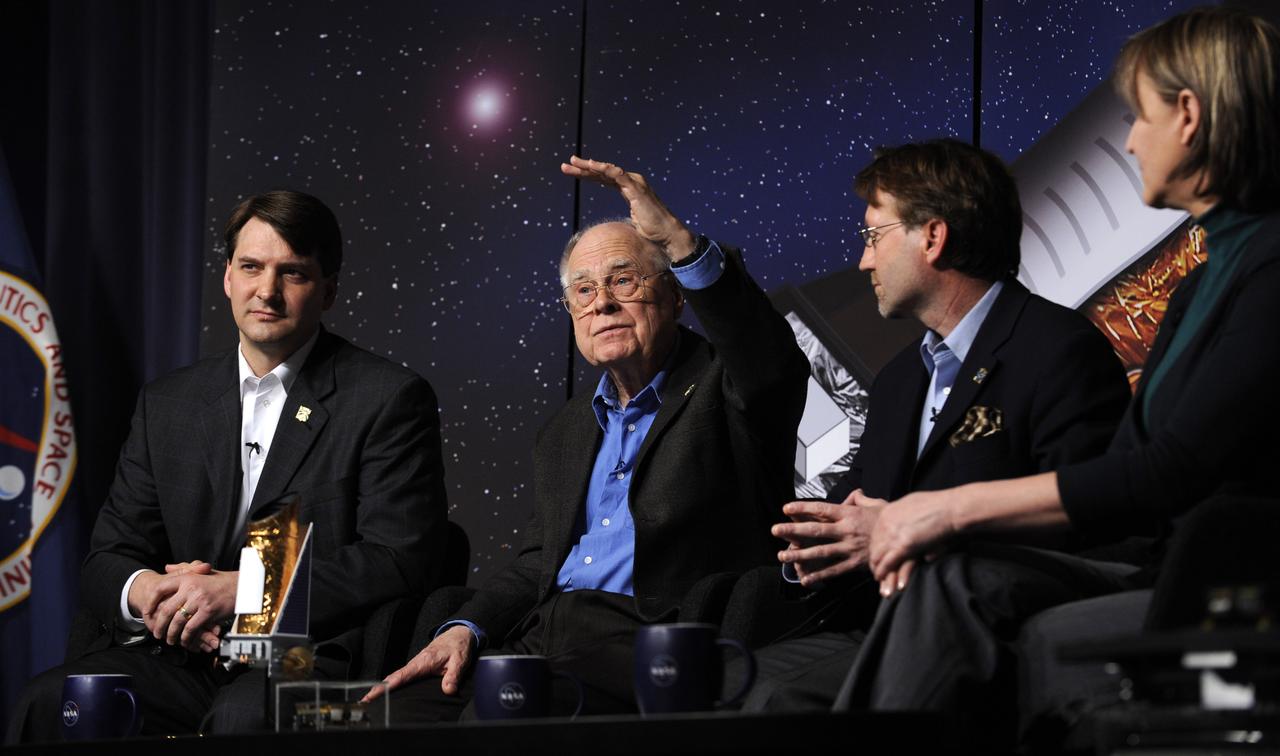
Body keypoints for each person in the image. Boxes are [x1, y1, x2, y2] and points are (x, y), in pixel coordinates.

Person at [831, 7, 1280, 749]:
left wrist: (948, 512)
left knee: (960, 586)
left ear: (1191, 116)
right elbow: (1122, 476)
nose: (1131, 139)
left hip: (1229, 587)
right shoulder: (1204, 284)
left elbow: (1170, 472)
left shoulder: (1266, 267)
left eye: (1139, 115)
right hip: (1167, 574)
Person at [374, 156, 810, 719]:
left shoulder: (727, 388)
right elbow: (538, 561)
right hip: (544, 631)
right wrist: (467, 626)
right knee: (389, 716)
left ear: (676, 294)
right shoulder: (566, 429)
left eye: (623, 280)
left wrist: (679, 241)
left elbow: (771, 363)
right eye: (582, 290)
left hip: (653, 641)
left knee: (494, 719)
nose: (600, 301)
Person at [6, 190, 449, 741]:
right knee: (46, 701)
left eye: (293, 273)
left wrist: (242, 592)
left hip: (302, 658)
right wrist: (151, 593)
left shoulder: (388, 398)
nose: (267, 290)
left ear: (328, 290)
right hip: (181, 653)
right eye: (251, 267)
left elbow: (399, 559)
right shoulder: (167, 403)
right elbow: (109, 558)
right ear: (227, 278)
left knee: (243, 719)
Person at [735, 139, 1130, 712]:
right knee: (726, 682)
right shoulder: (899, 381)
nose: (864, 260)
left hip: (990, 625)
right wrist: (818, 543)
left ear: (933, 237)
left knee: (779, 702)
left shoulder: (1058, 350)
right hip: (886, 619)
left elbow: (1087, 520)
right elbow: (860, 507)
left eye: (873, 237)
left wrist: (912, 531)